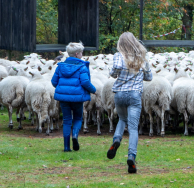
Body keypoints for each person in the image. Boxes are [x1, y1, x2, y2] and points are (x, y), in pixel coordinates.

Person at [106, 32, 152, 174]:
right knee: (133, 128)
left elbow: (114, 72)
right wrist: (138, 74)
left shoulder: (118, 56)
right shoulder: (141, 57)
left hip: (119, 94)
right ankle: (131, 156)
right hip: (134, 95)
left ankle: (117, 140)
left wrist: (119, 71)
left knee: (122, 119)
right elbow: (149, 77)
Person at [51, 42, 96, 152]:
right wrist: (93, 90)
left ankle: (66, 147)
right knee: (77, 118)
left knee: (66, 120)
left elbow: (53, 81)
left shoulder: (60, 66)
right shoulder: (82, 67)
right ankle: (75, 135)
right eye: (81, 52)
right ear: (77, 54)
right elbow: (85, 82)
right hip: (77, 97)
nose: (82, 54)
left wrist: (62, 89)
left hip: (64, 98)